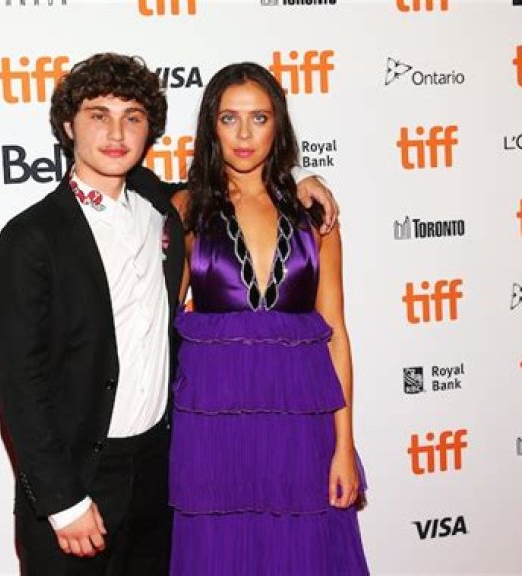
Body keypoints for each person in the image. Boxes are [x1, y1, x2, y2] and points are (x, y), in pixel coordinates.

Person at [0, 53, 339, 576]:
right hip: (79, 479)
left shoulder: (163, 208)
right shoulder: (31, 237)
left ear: (148, 131)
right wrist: (62, 500)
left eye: (132, 117)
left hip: (161, 474)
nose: (116, 134)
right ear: (68, 126)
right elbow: (19, 382)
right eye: (99, 115)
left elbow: (238, 182)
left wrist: (300, 178)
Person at [169, 62, 369, 575]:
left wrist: (344, 445)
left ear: (277, 124)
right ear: (210, 126)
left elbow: (335, 336)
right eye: (229, 118)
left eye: (258, 118)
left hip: (300, 429)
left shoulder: (314, 215)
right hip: (214, 431)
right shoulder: (186, 208)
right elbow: (158, 322)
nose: (243, 134)